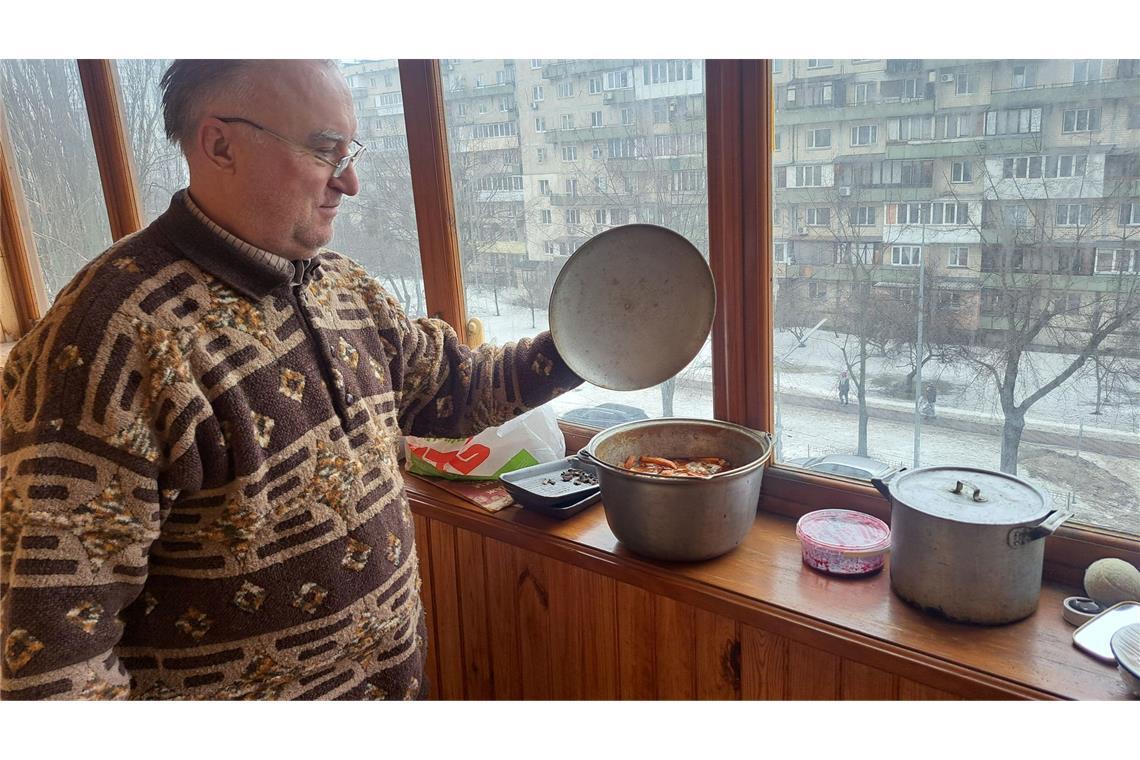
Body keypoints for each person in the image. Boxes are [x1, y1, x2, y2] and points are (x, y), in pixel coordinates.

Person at [0, 60, 582, 700]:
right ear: (220, 144)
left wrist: (591, 341)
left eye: (348, 151)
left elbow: (457, 388)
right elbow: (52, 656)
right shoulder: (112, 338)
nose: (350, 181)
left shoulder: (344, 287)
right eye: (325, 150)